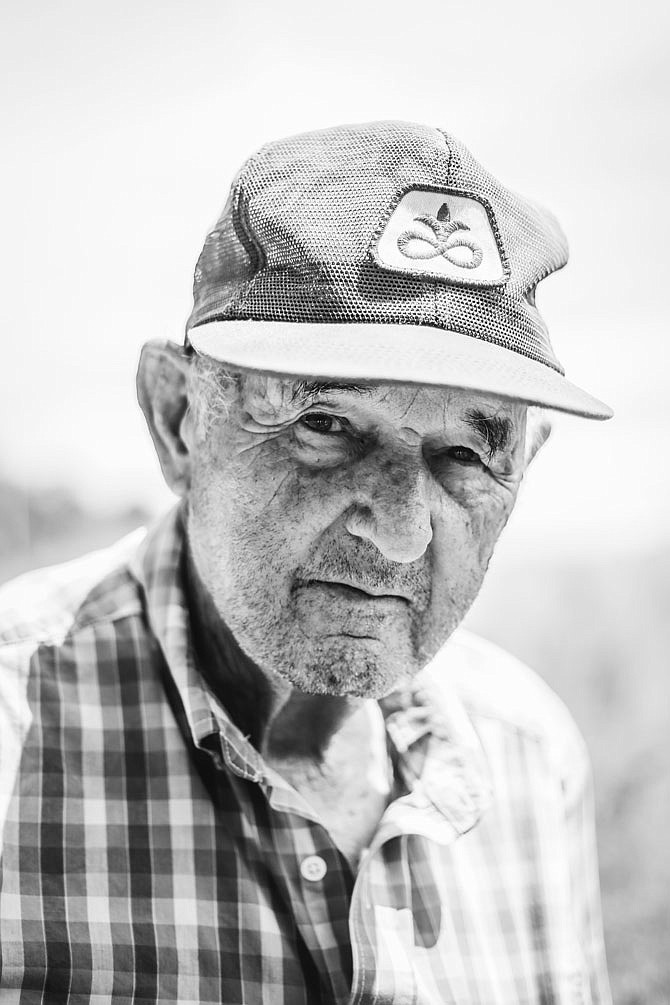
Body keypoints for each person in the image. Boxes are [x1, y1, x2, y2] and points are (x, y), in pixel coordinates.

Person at [0, 120, 612, 1004]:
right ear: (179, 417)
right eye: (325, 427)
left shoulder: (529, 757)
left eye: (464, 457)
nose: (402, 532)